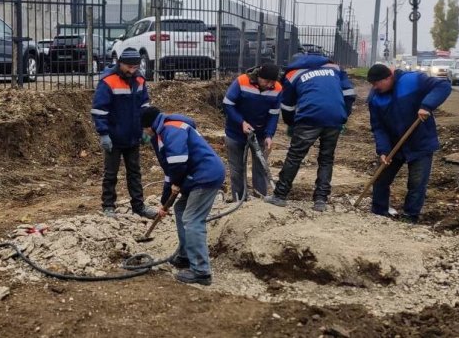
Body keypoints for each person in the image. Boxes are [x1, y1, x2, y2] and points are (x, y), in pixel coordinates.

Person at [141, 106, 225, 286]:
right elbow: (169, 172)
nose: (143, 135)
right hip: (196, 175)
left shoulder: (171, 131)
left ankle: (201, 271)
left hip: (205, 176)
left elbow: (178, 165)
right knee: (180, 208)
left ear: (148, 127)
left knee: (192, 219)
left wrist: (177, 183)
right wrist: (164, 204)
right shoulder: (160, 133)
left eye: (142, 130)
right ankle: (186, 256)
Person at [265, 54, 356, 212]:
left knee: (295, 156)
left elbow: (287, 106)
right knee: (326, 158)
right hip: (334, 117)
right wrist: (343, 115)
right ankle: (320, 200)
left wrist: (291, 124)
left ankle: (280, 196)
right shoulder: (334, 68)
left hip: (309, 117)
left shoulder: (292, 74)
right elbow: (349, 94)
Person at [366, 63, 451, 223]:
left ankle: (410, 217)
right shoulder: (375, 98)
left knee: (417, 182)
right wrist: (383, 150)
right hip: (394, 145)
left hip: (420, 142)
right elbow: (378, 127)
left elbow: (443, 85)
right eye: (372, 84)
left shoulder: (411, 80)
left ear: (389, 78)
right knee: (381, 178)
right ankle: (379, 212)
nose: (375, 87)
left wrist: (427, 105)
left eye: (377, 83)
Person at [91, 47, 157, 219]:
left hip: (133, 136)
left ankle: (139, 206)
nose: (132, 70)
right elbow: (99, 110)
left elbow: (144, 106)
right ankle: (108, 206)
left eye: (135, 67)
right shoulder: (108, 81)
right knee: (110, 174)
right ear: (120, 63)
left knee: (135, 172)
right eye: (129, 67)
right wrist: (103, 133)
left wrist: (146, 128)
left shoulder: (140, 80)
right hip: (113, 137)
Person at [222, 63, 282, 202]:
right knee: (237, 168)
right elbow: (228, 105)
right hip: (235, 132)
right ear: (259, 77)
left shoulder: (277, 88)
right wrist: (241, 122)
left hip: (259, 134)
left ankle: (260, 198)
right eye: (267, 81)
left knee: (260, 167)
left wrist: (269, 135)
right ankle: (239, 198)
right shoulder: (242, 81)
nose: (269, 85)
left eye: (273, 82)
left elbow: (274, 114)